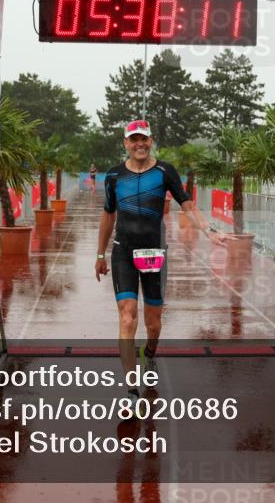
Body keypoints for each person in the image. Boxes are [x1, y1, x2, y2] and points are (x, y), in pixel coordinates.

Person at [95, 120, 225, 406]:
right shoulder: (114, 176)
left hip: (153, 254)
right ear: (126, 143)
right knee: (127, 316)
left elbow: (187, 204)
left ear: (151, 141)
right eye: (134, 139)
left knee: (153, 323)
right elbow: (108, 215)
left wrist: (208, 229)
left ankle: (150, 353)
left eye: (144, 139)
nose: (139, 144)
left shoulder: (165, 171)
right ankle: (130, 391)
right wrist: (100, 254)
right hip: (123, 252)